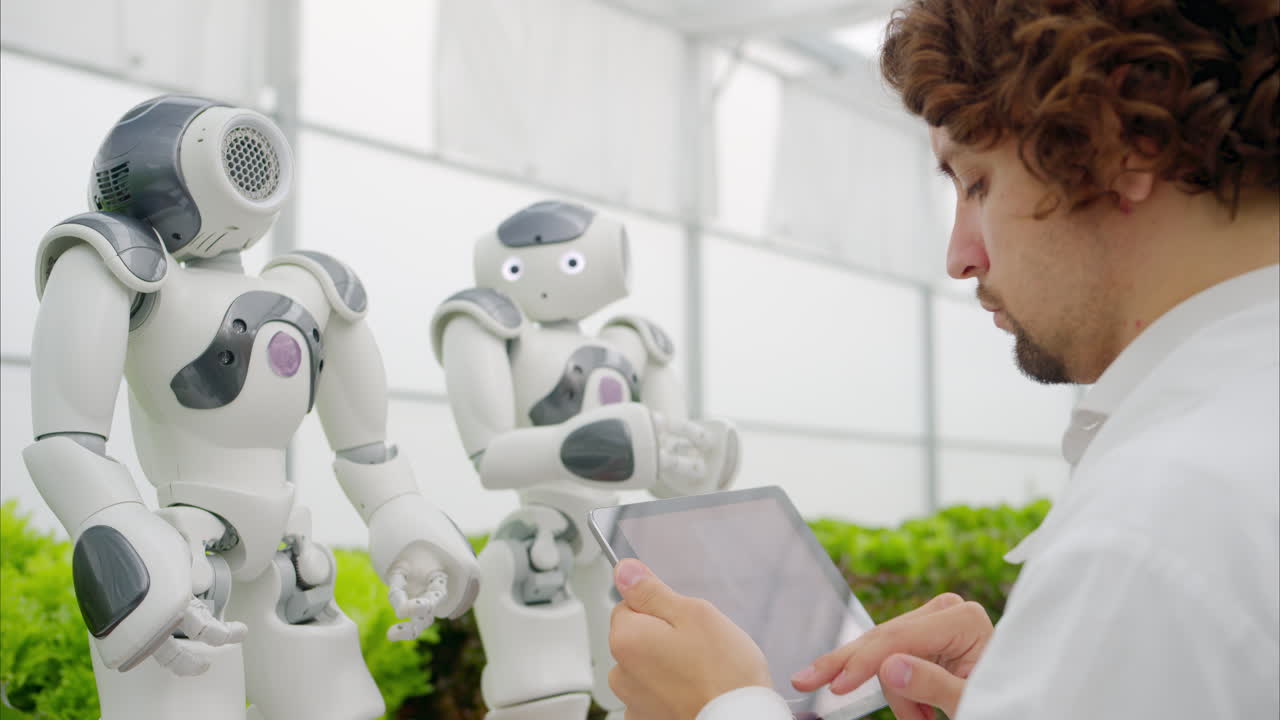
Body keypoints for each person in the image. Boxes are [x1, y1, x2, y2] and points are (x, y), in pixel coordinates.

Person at [606, 1, 1280, 718]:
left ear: (1125, 143)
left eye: (978, 182)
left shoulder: (1159, 526)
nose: (961, 256)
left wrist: (725, 705)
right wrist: (1037, 684)